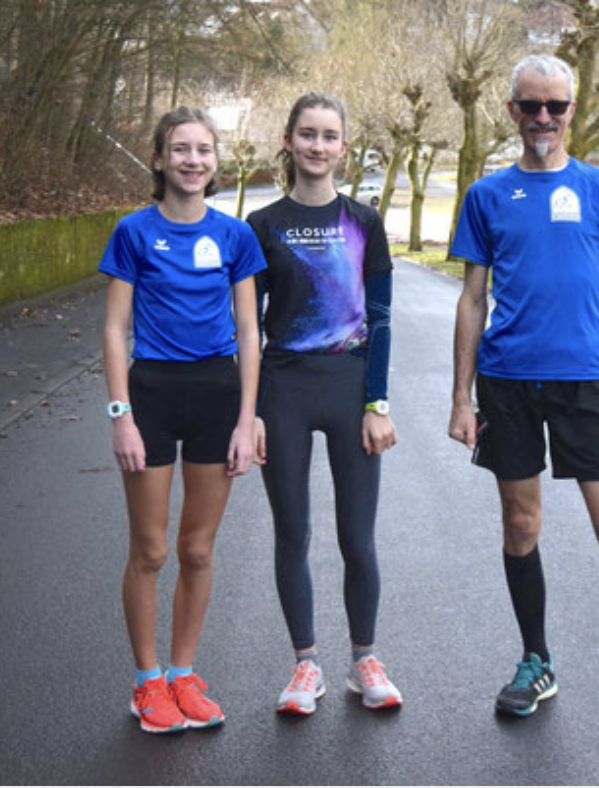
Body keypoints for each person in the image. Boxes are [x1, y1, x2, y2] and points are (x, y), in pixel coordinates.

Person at [446, 53, 599, 750]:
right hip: (509, 383)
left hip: (583, 385)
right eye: (531, 105)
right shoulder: (486, 196)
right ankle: (537, 661)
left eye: (556, 106)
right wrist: (461, 396)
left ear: (571, 110)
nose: (544, 118)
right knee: (521, 525)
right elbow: (472, 299)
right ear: (511, 111)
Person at [100, 106, 266, 734]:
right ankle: (147, 683)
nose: (193, 160)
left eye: (203, 149)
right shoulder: (133, 232)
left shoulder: (235, 237)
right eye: (180, 149)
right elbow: (116, 329)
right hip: (152, 392)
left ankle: (183, 674)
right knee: (151, 548)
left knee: (198, 549)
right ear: (159, 158)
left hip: (218, 394)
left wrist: (248, 417)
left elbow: (250, 332)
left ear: (216, 161)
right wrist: (121, 414)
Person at [246, 92, 402, 715]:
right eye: (307, 134)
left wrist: (378, 402)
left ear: (344, 145)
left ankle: (364, 660)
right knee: (293, 532)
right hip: (283, 388)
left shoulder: (364, 222)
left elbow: (383, 317)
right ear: (289, 141)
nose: (317, 145)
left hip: (349, 387)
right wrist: (249, 410)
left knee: (357, 539)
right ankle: (305, 665)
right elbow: (246, 326)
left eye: (329, 135)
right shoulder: (260, 226)